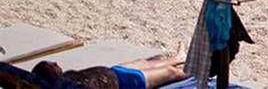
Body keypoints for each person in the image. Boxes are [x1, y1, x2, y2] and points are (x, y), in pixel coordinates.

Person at [33, 57, 186, 89]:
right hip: (125, 82)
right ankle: (202, 70)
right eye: (51, 66)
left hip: (112, 71)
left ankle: (179, 57)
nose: (55, 63)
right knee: (171, 72)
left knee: (146, 63)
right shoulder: (73, 86)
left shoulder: (66, 80)